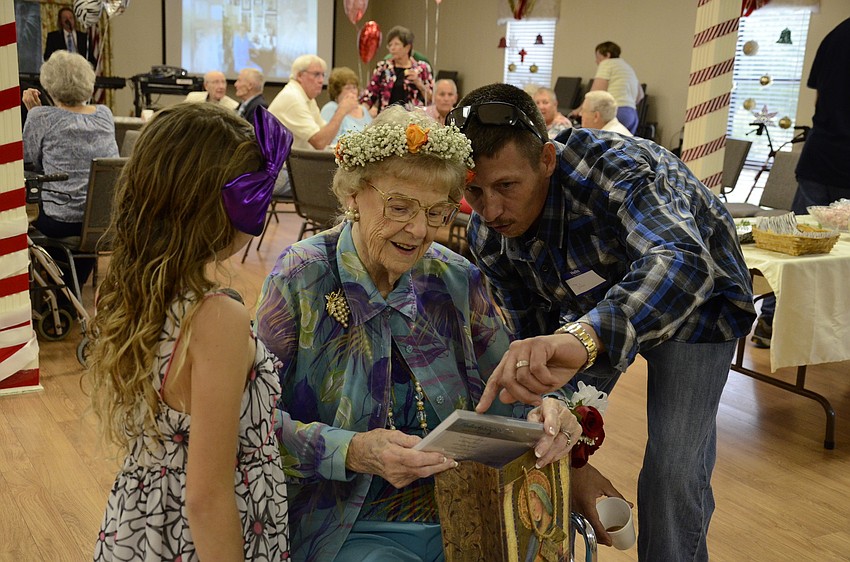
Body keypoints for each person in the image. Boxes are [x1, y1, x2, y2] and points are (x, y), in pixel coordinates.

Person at [255, 106, 581, 562]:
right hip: (347, 522)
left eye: (436, 212)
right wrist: (354, 451)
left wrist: (548, 412)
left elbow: (513, 387)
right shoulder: (303, 276)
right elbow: (249, 425)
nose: (419, 230)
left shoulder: (454, 280)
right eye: (400, 206)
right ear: (353, 193)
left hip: (469, 508)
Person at [447, 83, 756, 561]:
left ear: (547, 160)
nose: (490, 211)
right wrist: (569, 451)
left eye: (507, 186)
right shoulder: (489, 236)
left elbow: (680, 261)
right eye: (474, 191)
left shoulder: (616, 169)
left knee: (674, 468)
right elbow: (530, 337)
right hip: (592, 312)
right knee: (543, 437)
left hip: (697, 301)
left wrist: (586, 336)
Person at [89, 103, 292, 561]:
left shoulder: (131, 290)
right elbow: (207, 498)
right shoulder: (218, 317)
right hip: (199, 538)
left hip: (142, 520)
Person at [751, 17, 850, 349]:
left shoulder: (836, 35)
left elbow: (819, 100)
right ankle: (826, 334)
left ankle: (769, 322)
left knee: (793, 250)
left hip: (820, 155)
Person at [22, 50, 118, 287]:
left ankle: (59, 291)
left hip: (60, 220)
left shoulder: (41, 117)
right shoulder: (104, 114)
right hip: (104, 220)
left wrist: (34, 112)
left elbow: (28, 160)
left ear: (49, 84)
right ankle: (68, 292)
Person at [268, 54, 358, 150]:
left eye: (323, 75)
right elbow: (319, 143)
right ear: (299, 76)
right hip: (281, 163)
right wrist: (342, 110)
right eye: (316, 74)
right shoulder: (293, 98)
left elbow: (326, 137)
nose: (321, 80)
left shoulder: (307, 98)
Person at [361, 26, 433, 116]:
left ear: (407, 47)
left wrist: (419, 83)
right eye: (390, 45)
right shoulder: (383, 68)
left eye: (396, 44)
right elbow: (370, 95)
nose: (392, 48)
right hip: (387, 119)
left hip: (414, 119)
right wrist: (360, 113)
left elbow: (432, 99)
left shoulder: (422, 68)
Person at [588, 41, 643, 134]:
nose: (596, 61)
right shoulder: (627, 66)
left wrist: (580, 110)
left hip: (617, 112)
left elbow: (596, 93)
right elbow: (640, 95)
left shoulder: (606, 63)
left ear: (607, 55)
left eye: (598, 57)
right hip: (632, 114)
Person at [320, 66, 373, 146]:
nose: (352, 92)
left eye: (354, 88)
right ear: (337, 92)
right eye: (347, 88)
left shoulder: (363, 110)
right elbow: (329, 142)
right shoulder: (331, 108)